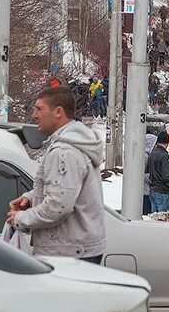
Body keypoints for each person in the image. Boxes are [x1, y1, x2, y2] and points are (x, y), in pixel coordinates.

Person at [6, 87, 107, 263]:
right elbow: (63, 189)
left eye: (39, 109)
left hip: (67, 253)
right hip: (74, 250)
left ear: (58, 112)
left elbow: (57, 207)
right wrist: (31, 198)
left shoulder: (64, 152)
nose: (34, 115)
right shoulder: (69, 145)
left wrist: (20, 219)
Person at [145, 129, 169, 213]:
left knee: (154, 218)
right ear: (167, 143)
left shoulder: (152, 154)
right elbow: (167, 176)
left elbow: (148, 172)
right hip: (163, 191)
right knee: (163, 218)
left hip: (152, 191)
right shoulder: (165, 156)